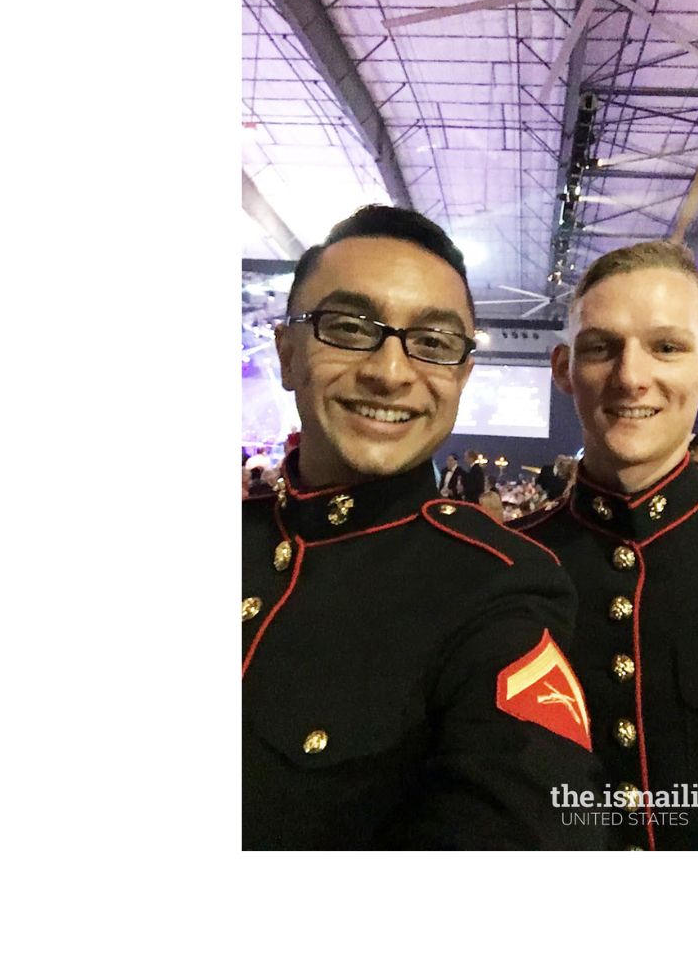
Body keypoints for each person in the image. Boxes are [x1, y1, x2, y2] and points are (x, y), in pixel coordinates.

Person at [243, 204, 602, 851]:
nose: (390, 370)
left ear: (462, 376)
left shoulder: (498, 589)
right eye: (349, 327)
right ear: (288, 353)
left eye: (434, 343)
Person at [511, 240, 698, 850]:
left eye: (666, 347)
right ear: (562, 368)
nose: (632, 377)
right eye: (602, 347)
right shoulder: (502, 571)